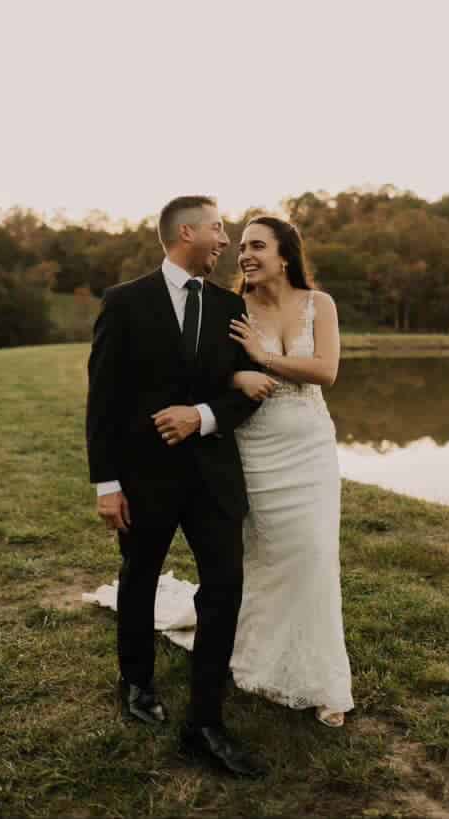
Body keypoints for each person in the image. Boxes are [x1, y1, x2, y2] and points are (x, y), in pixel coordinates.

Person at [86, 195, 277, 779]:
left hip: (215, 476)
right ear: (185, 232)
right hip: (144, 478)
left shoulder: (228, 307)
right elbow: (104, 401)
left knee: (225, 586)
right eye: (218, 229)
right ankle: (136, 683)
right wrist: (107, 483)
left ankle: (204, 722)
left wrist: (204, 415)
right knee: (139, 577)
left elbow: (246, 390)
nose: (226, 241)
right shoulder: (123, 303)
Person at [228, 216, 354, 727]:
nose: (244, 255)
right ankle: (261, 663)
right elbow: (206, 368)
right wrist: (237, 372)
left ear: (285, 255)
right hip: (255, 449)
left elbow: (326, 370)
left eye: (257, 246)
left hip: (309, 448)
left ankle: (324, 682)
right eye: (240, 247)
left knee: (316, 554)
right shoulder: (230, 308)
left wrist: (261, 357)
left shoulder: (319, 305)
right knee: (269, 559)